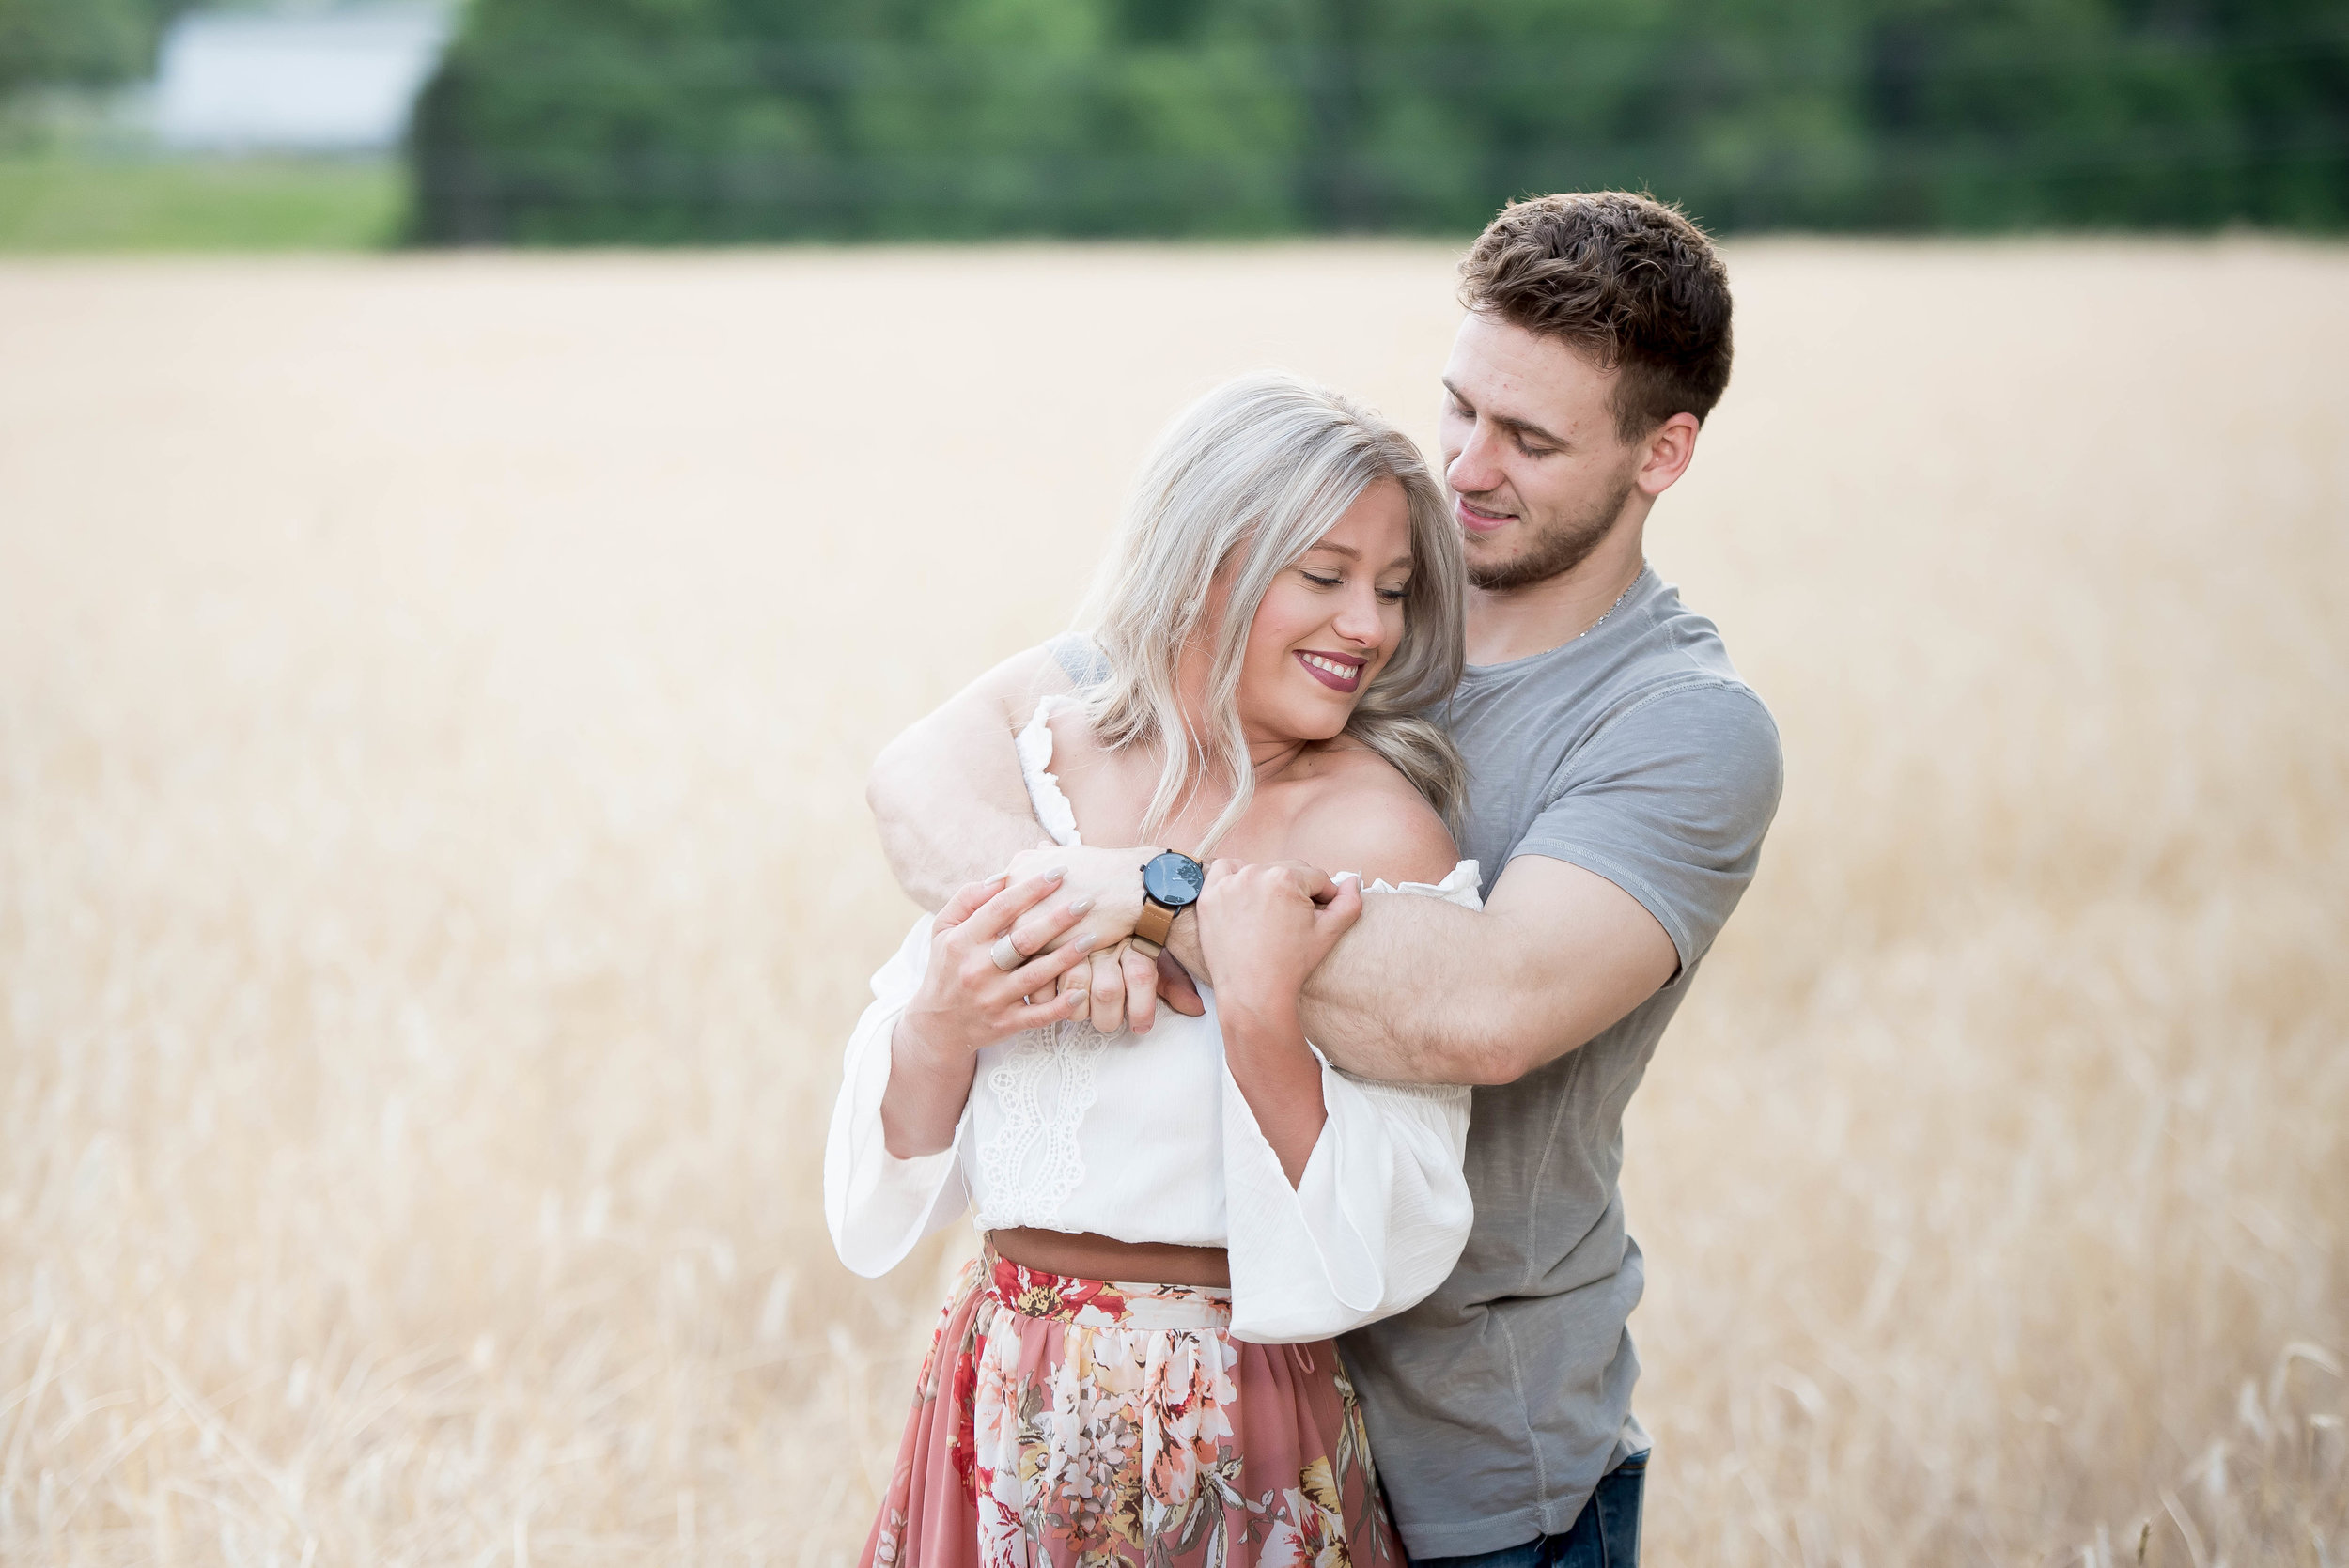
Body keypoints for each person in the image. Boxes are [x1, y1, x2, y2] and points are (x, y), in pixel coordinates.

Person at [865, 192, 1785, 1566]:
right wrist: (1081, 925)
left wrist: (1156, 898)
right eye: (1460, 407)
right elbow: (929, 771)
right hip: (1181, 1431)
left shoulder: (1680, 727)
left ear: (1666, 451)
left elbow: (1485, 1010)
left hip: (1472, 1451)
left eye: (1529, 439)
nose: (1468, 465)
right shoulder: (1322, 601)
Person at [826, 373, 1496, 1565]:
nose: (1371, 626)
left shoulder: (1380, 835)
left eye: (1392, 590)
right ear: (1204, 561)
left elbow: (1398, 1218)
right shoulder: (1037, 776)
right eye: (1326, 575)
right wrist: (941, 1020)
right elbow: (888, 1189)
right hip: (1000, 1391)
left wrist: (1258, 1014)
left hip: (1231, 1417)